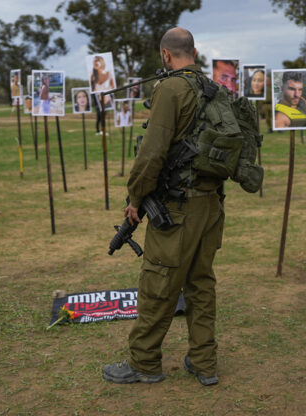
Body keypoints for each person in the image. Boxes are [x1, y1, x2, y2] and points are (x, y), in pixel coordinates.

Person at [102, 27, 224, 387]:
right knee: (200, 284)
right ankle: (204, 363)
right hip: (211, 205)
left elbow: (151, 152)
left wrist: (136, 198)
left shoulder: (170, 89)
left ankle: (144, 363)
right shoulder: (215, 90)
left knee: (158, 281)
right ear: (194, 52)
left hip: (177, 208)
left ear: (166, 56)